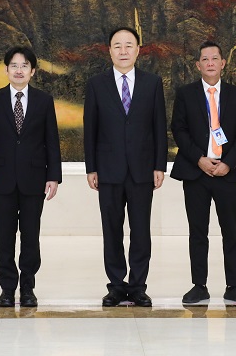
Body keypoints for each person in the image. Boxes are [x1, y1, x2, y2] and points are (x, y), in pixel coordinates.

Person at [84, 26, 167, 307]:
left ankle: (138, 286)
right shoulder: (96, 84)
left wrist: (159, 165)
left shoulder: (152, 83)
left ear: (138, 50)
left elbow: (159, 126)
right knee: (112, 230)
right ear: (109, 50)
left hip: (143, 169)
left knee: (141, 230)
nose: (123, 51)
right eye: (117, 46)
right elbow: (90, 128)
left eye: (129, 45)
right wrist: (91, 168)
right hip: (108, 170)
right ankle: (117, 286)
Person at [0, 46, 62, 308]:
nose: (19, 70)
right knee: (4, 235)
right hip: (1, 180)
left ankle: (27, 287)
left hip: (34, 179)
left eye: (24, 66)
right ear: (6, 70)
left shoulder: (44, 101)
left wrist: (53, 176)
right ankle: (7, 287)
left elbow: (52, 141)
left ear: (32, 71)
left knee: (31, 235)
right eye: (14, 65)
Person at [170, 41, 236, 305]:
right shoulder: (186, 94)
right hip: (196, 173)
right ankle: (199, 285)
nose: (210, 63)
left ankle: (233, 286)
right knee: (198, 231)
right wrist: (199, 159)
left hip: (227, 173)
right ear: (198, 65)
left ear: (223, 63)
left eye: (214, 58)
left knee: (231, 231)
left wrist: (228, 162)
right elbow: (179, 129)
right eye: (204, 59)